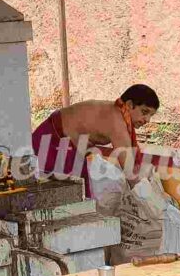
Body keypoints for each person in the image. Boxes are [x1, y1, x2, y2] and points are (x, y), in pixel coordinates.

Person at [32, 84, 160, 198]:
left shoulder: (118, 113)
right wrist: (152, 200)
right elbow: (130, 173)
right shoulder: (117, 123)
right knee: (57, 201)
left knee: (79, 199)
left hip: (70, 149)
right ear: (130, 105)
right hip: (52, 142)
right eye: (144, 112)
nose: (147, 120)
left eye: (151, 115)